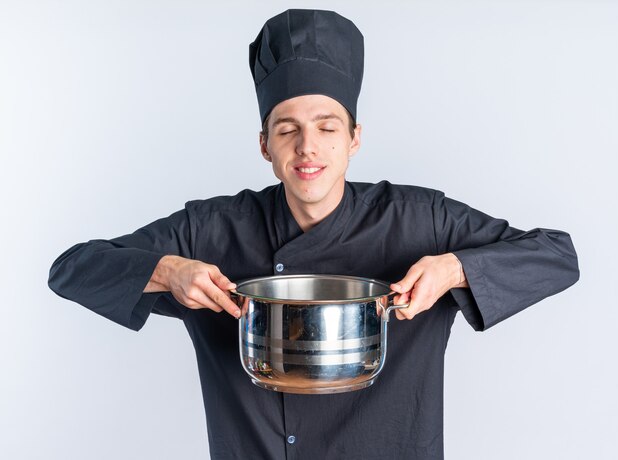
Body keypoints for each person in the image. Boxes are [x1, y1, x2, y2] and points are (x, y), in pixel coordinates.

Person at [48, 9, 579, 460]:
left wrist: (454, 268)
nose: (308, 147)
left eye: (327, 128)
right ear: (264, 145)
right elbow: (70, 268)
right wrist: (167, 270)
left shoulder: (421, 221)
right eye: (287, 129)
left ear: (354, 139)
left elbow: (557, 256)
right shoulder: (210, 230)